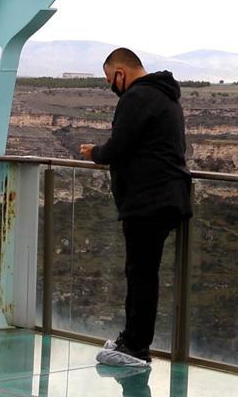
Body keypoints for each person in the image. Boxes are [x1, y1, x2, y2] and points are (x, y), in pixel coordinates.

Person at [80, 48, 192, 365]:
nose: (111, 87)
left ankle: (136, 347)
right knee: (142, 271)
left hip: (149, 200)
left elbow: (118, 146)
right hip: (167, 196)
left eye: (109, 80)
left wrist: (94, 152)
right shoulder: (166, 95)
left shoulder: (137, 97)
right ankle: (130, 339)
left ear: (121, 73)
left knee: (141, 274)